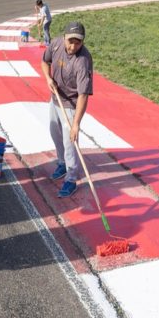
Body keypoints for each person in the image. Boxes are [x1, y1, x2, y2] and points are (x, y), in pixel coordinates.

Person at [40, 21, 93, 198]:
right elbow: (44, 61)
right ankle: (62, 163)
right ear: (64, 38)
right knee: (54, 132)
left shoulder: (83, 61)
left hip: (71, 103)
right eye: (70, 41)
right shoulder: (55, 44)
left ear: (83, 42)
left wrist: (76, 124)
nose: (73, 46)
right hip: (55, 97)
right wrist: (48, 78)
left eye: (78, 42)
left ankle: (71, 178)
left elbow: (83, 95)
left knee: (70, 141)